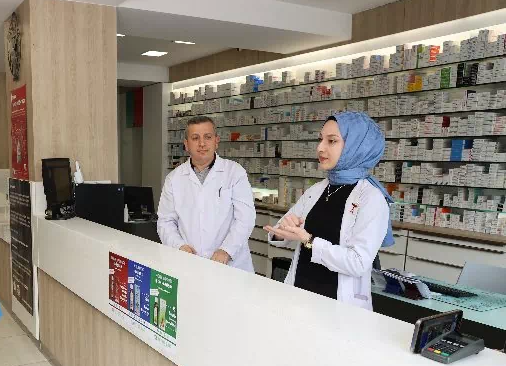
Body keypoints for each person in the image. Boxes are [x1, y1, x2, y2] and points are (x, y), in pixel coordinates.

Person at [264, 111, 394, 310]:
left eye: (331, 141)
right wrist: (282, 231)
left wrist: (309, 241)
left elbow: (358, 262)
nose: (320, 148)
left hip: (339, 305)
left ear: (356, 147)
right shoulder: (317, 190)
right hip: (300, 295)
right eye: (321, 139)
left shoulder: (371, 198)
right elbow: (281, 230)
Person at [157, 115, 257, 272]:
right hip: (189, 263)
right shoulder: (174, 178)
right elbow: (165, 221)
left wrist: (226, 250)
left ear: (216, 141)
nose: (202, 143)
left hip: (231, 266)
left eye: (208, 137)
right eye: (195, 138)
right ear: (186, 144)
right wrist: (179, 246)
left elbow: (245, 218)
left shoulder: (234, 172)